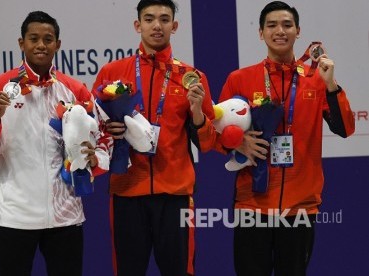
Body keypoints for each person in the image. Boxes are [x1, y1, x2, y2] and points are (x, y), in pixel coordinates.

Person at [0, 11, 111, 276]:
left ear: (58, 44)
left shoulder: (75, 90)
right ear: (22, 43)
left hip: (66, 216)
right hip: (16, 218)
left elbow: (102, 143)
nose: (41, 45)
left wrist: (94, 160)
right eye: (34, 39)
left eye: (48, 38)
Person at [218, 1, 355, 275]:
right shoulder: (240, 79)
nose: (279, 31)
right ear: (260, 33)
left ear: (298, 31)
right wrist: (239, 143)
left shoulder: (316, 80)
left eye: (287, 25)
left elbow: (345, 128)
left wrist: (331, 85)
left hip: (300, 206)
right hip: (252, 204)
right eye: (271, 25)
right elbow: (217, 131)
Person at [92, 1, 217, 275]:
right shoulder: (112, 73)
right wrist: (106, 132)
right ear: (138, 25)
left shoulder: (192, 78)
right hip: (126, 191)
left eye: (164, 19)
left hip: (174, 195)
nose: (156, 25)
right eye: (149, 19)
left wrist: (197, 114)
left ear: (175, 26)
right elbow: (94, 132)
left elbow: (208, 143)